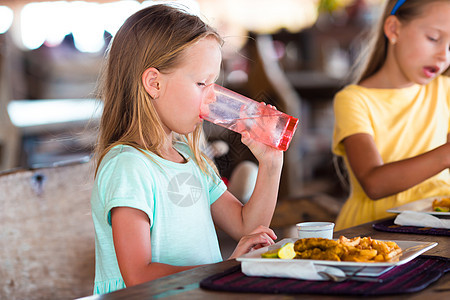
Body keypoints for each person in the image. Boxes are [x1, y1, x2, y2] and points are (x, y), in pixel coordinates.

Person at [90, 4, 283, 295]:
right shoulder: (128, 167)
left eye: (214, 84)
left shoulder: (191, 158)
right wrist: (225, 269)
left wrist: (271, 164)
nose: (213, 99)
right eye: (201, 83)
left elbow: (247, 227)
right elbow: (138, 276)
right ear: (154, 83)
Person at [332, 0, 450, 230]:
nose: (443, 55)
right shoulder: (354, 100)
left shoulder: (445, 90)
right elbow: (374, 184)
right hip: (373, 232)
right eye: (434, 39)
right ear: (394, 29)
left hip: (437, 223)